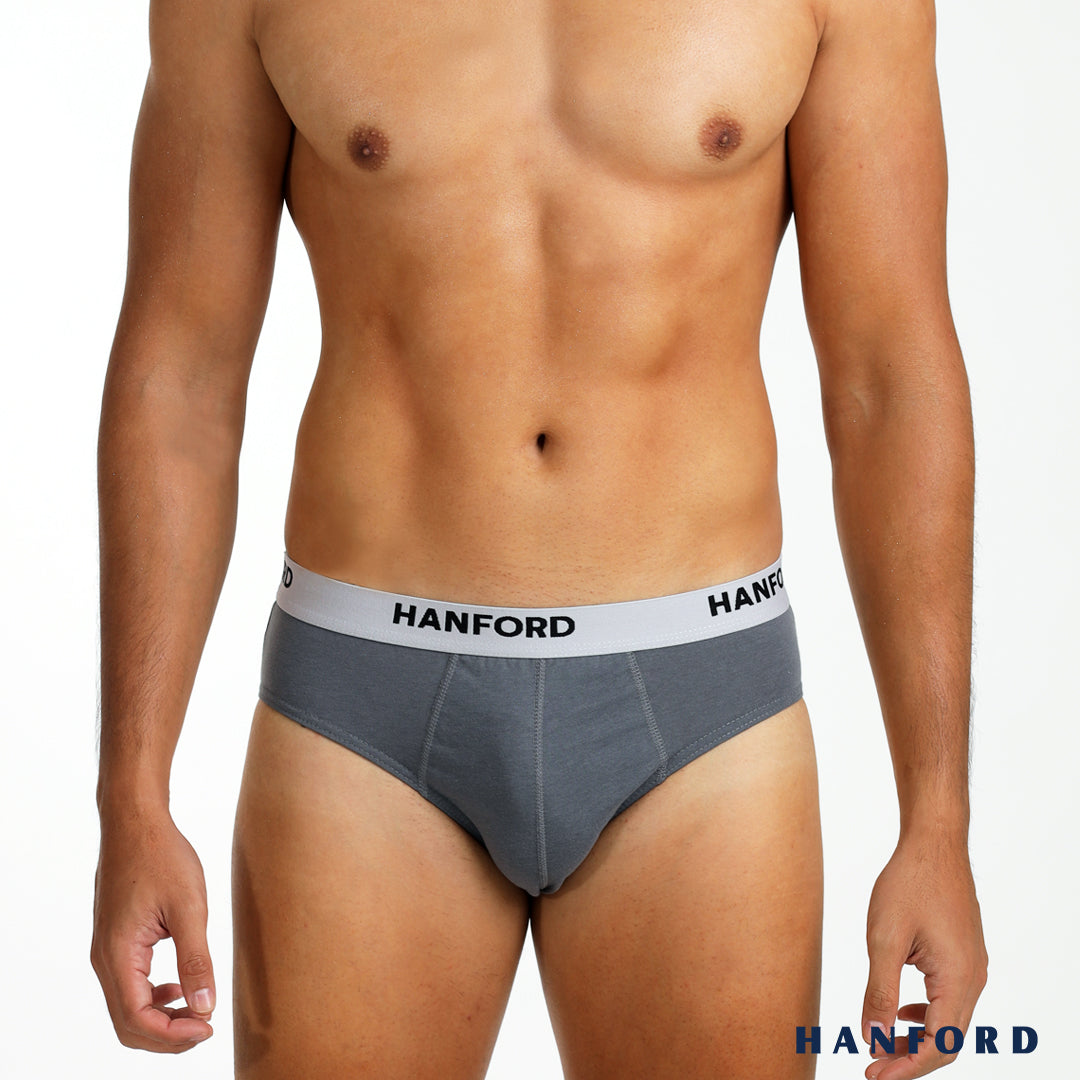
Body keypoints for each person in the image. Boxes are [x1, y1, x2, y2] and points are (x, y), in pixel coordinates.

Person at [90, 0, 987, 1076]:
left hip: (702, 707)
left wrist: (938, 819)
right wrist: (130, 796)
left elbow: (890, 379)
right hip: (363, 707)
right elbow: (180, 377)